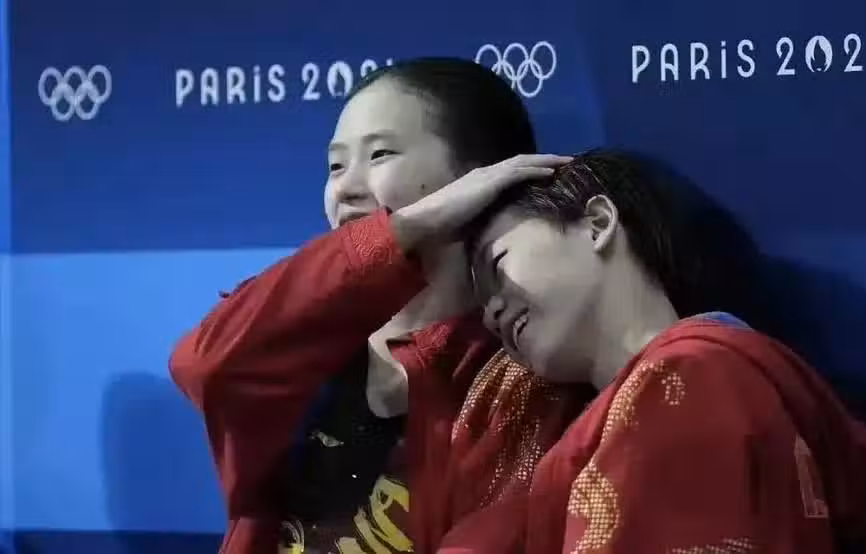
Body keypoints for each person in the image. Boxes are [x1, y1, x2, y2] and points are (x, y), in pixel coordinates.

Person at [169, 58, 587, 554]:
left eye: (380, 154)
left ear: (479, 179)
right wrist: (407, 227)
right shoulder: (301, 344)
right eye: (335, 166)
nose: (344, 188)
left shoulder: (522, 375)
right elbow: (205, 363)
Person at [406, 149, 866, 553]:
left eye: (498, 265)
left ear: (597, 223)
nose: (491, 314)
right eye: (483, 303)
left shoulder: (692, 378)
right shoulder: (572, 417)